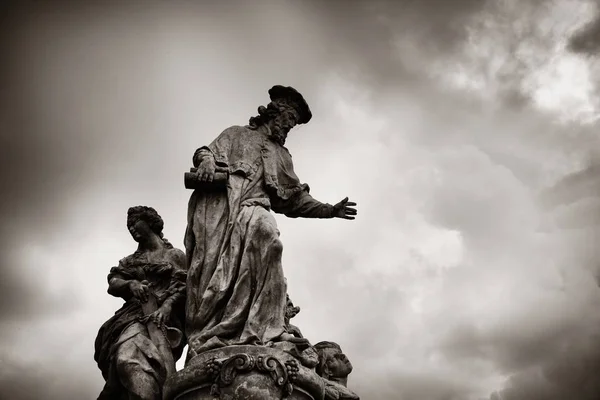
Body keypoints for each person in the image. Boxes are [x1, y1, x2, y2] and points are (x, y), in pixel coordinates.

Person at [184, 85, 357, 358]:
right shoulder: (236, 134)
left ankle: (265, 329)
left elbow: (294, 200)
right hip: (220, 215)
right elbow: (206, 151)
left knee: (269, 240)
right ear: (273, 115)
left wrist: (329, 210)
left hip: (255, 211)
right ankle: (218, 329)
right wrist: (205, 161)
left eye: (291, 125)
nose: (287, 129)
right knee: (212, 282)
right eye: (287, 122)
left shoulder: (282, 156)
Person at [94, 206, 187, 400]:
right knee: (126, 356)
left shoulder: (175, 256)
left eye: (135, 223)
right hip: (134, 316)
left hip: (166, 321)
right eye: (129, 226)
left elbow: (186, 286)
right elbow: (113, 283)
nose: (131, 229)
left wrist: (167, 306)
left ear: (149, 222)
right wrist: (131, 284)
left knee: (160, 368)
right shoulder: (130, 261)